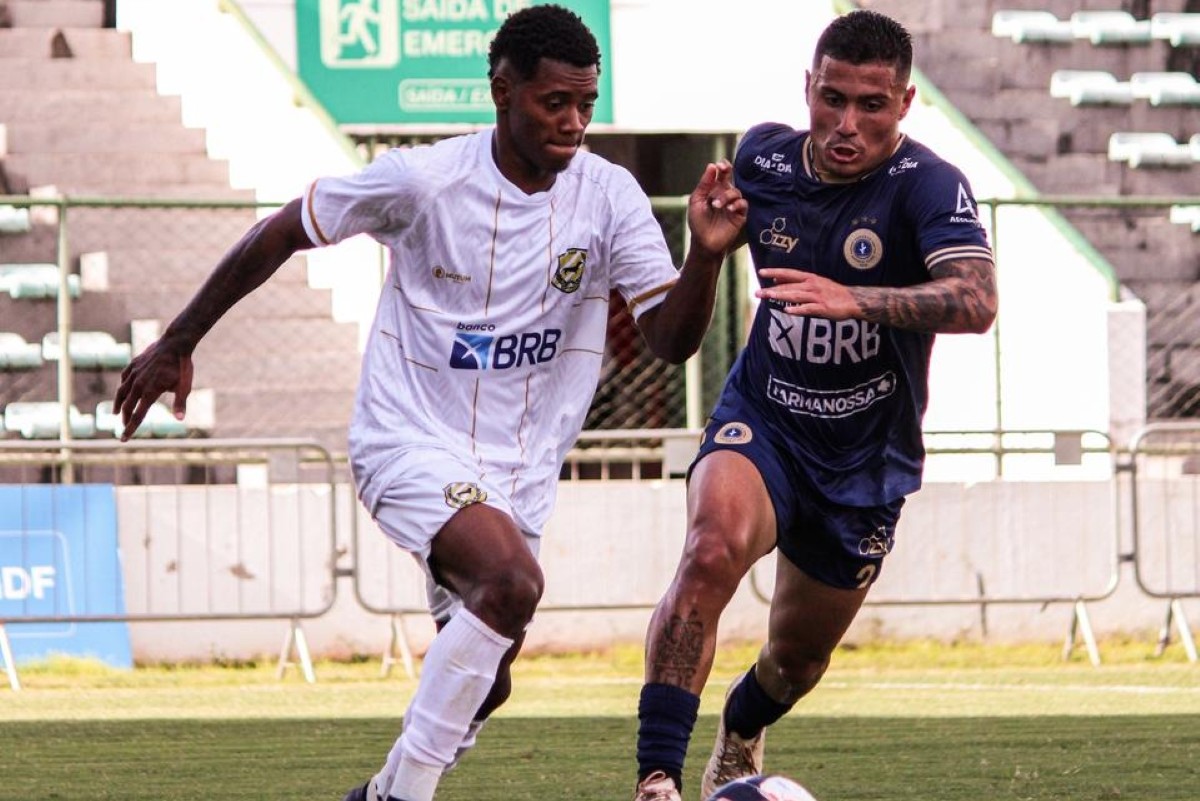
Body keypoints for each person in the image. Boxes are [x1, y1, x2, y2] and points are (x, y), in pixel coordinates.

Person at [111, 6, 746, 801]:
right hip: (406, 434)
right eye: (555, 102)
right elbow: (284, 230)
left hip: (519, 470)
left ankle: (378, 794)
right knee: (510, 581)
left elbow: (671, 340)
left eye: (586, 103)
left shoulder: (609, 196)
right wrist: (179, 339)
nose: (574, 122)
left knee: (488, 677)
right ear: (502, 91)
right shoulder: (425, 180)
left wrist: (705, 260)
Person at [631, 9, 998, 801]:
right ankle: (656, 778)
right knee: (708, 551)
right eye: (832, 98)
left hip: (865, 459)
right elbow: (682, 325)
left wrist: (857, 299)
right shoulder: (762, 158)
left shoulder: (930, 186)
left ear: (904, 103)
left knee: (795, 660)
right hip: (765, 419)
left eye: (871, 105)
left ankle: (741, 725)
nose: (846, 124)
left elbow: (977, 299)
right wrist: (706, 250)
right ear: (808, 88)